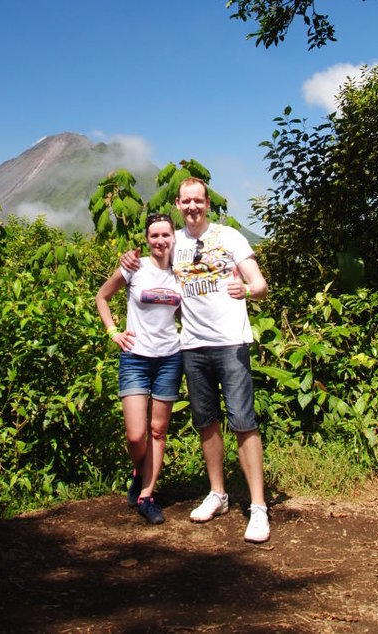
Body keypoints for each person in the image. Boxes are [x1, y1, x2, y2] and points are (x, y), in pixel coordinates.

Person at [122, 177, 270, 542]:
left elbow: (262, 286)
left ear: (208, 203)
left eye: (198, 201)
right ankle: (218, 494)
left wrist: (247, 290)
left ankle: (257, 507)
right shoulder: (174, 243)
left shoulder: (230, 237)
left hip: (231, 342)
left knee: (242, 421)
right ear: (177, 203)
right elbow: (150, 263)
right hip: (191, 345)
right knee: (206, 422)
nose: (192, 207)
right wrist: (127, 260)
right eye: (185, 201)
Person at [95, 213, 183, 525]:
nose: (160, 241)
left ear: (174, 237)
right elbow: (102, 297)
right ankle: (139, 469)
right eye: (154, 236)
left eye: (165, 235)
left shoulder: (181, 272)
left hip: (170, 358)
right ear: (147, 240)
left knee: (158, 431)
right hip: (135, 358)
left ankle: (147, 495)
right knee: (136, 436)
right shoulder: (134, 267)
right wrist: (112, 332)